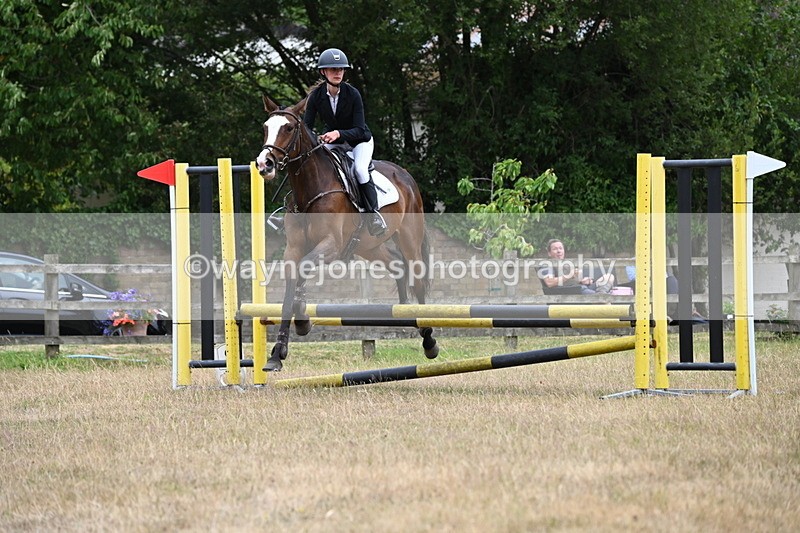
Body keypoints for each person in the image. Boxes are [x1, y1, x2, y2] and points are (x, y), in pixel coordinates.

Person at [303, 47, 387, 236]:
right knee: (309, 163)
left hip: (360, 141)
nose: (338, 73)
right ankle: (292, 211)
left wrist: (338, 134)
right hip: (334, 141)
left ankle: (374, 216)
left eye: (341, 69)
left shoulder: (353, 94)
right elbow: (306, 126)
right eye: (333, 69)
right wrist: (315, 138)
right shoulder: (316, 97)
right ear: (323, 72)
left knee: (359, 169)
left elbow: (358, 128)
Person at [539, 239, 615, 295]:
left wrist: (583, 281)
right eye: (555, 249)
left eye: (560, 248)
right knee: (605, 297)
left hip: (581, 288)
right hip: (571, 292)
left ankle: (601, 295)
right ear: (549, 253)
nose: (559, 251)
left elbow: (572, 280)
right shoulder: (547, 264)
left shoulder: (567, 264)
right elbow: (549, 282)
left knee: (609, 277)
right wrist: (569, 275)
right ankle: (601, 297)